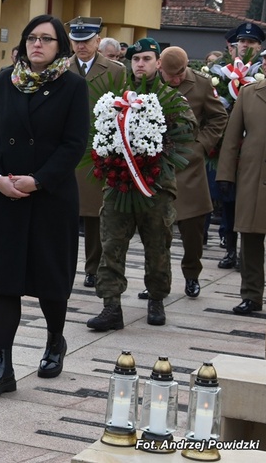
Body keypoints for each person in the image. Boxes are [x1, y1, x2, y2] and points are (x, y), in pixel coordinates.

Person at [0, 14, 89, 396]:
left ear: (60, 46)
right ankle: (2, 367)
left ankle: (55, 340)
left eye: (47, 39)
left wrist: (38, 180)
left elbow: (75, 144)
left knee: (50, 282)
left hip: (50, 197)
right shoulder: (4, 80)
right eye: (31, 38)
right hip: (6, 196)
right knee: (5, 283)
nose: (37, 44)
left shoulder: (72, 86)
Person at [86, 38, 196, 330]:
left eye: (147, 59)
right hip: (119, 183)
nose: (140, 64)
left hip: (155, 186)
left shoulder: (172, 98)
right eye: (136, 60)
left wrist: (162, 132)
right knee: (111, 244)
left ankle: (157, 299)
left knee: (157, 245)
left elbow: (189, 132)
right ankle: (111, 306)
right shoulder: (116, 97)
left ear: (159, 63)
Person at [132, 46, 226, 300]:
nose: (176, 79)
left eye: (180, 73)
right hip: (157, 165)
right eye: (171, 74)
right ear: (160, 65)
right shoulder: (149, 85)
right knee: (156, 231)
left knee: (192, 230)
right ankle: (156, 281)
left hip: (189, 167)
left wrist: (201, 146)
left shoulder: (202, 84)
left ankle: (192, 275)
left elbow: (218, 117)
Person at [216, 31, 266, 315]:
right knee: (249, 239)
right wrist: (225, 175)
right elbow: (231, 138)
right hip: (251, 178)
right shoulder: (250, 93)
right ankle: (251, 295)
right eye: (264, 58)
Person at [66, 17, 126, 290]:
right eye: (76, 41)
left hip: (97, 149)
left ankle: (92, 268)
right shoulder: (62, 68)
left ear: (98, 41)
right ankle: (64, 266)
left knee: (93, 214)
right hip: (66, 147)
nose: (81, 46)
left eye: (87, 41)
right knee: (64, 212)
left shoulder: (114, 71)